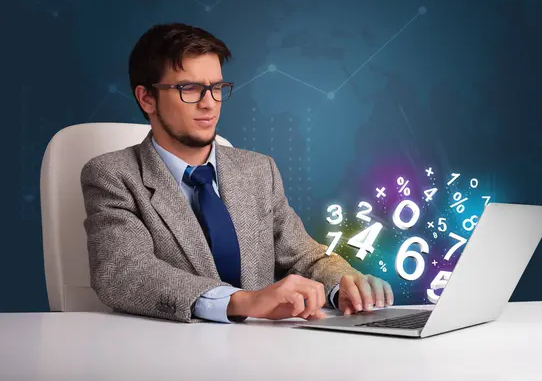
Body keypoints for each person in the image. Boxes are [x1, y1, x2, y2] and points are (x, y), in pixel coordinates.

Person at [80, 22, 393, 323]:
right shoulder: (112, 175)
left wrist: (346, 285)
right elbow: (124, 272)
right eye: (189, 88)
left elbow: (304, 257)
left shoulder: (258, 170)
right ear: (147, 97)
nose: (210, 104)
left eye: (216, 88)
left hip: (263, 353)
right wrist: (245, 302)